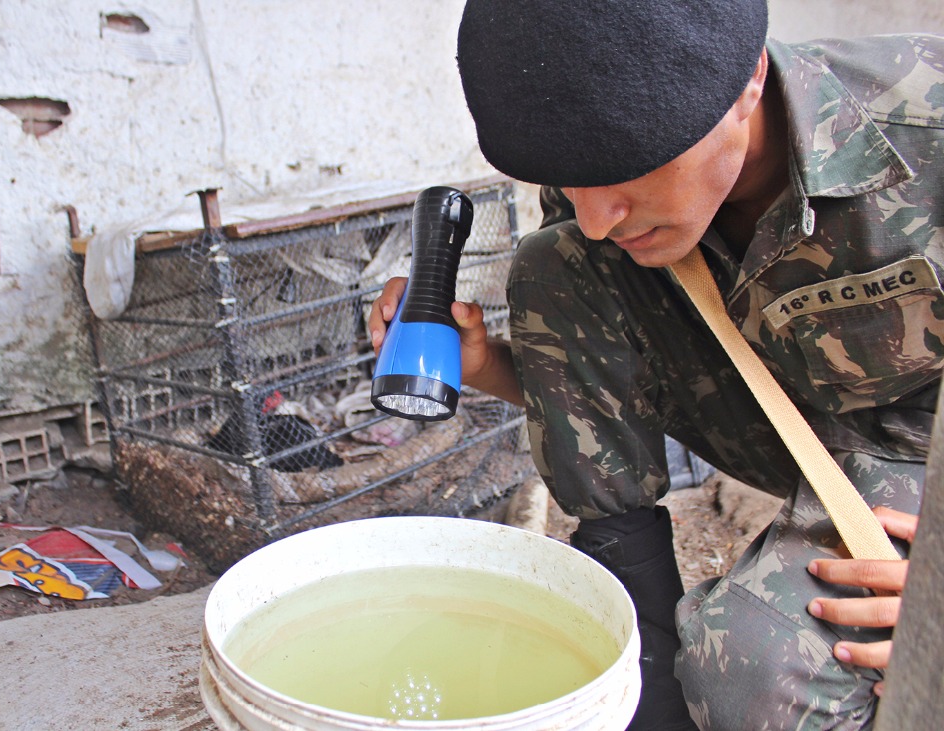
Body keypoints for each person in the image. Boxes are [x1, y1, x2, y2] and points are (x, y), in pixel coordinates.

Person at [370, 1, 942, 729]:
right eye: (572, 181)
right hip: (784, 420)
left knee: (751, 678)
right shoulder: (599, 183)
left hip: (920, 457)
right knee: (556, 264)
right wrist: (485, 365)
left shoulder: (926, 136)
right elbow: (596, 387)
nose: (597, 215)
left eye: (627, 173)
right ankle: (645, 673)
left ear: (749, 83)